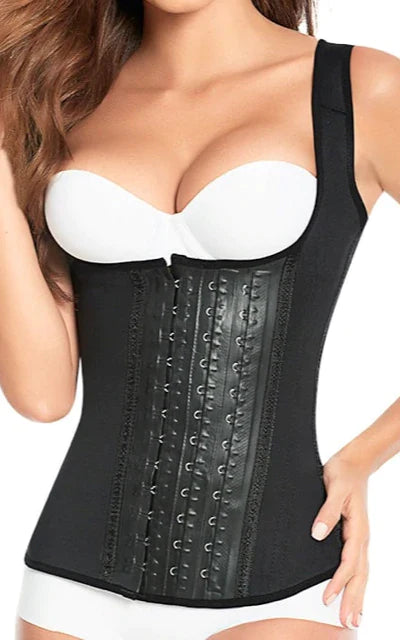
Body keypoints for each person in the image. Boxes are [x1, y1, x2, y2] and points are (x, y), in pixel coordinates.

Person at [0, 1, 399, 639]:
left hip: (279, 585)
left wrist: (365, 455)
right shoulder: (66, 99)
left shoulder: (360, 89)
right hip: (70, 590)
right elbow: (42, 395)